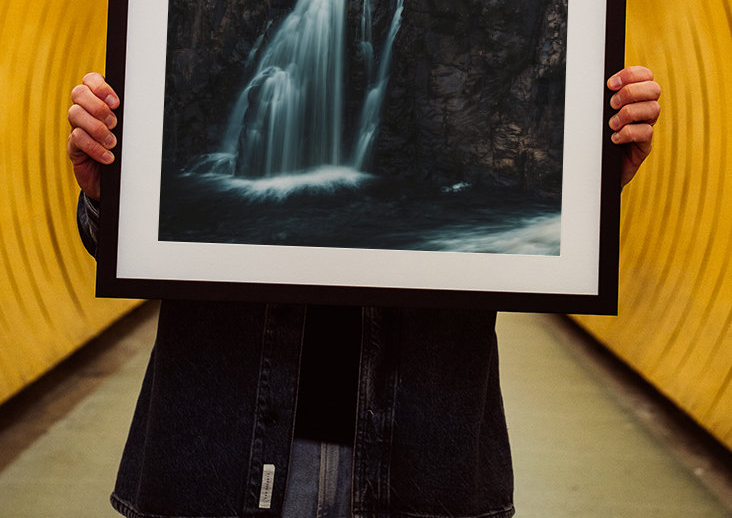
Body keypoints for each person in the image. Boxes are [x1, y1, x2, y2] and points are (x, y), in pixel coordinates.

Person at [68, 66, 661, 518]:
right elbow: (127, 244)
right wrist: (109, 195)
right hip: (218, 450)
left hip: (423, 458)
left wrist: (585, 186)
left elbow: (520, 230)